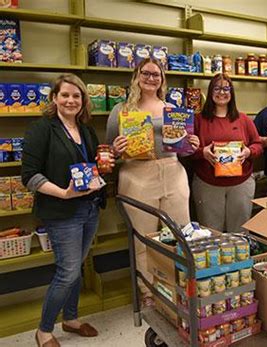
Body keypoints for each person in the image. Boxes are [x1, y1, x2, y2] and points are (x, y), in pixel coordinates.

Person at [21, 74, 109, 347]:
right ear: (54, 98)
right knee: (67, 272)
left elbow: (91, 166)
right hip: (62, 212)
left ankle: (70, 319)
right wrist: (64, 193)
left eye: (77, 96)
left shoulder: (86, 129)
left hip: (90, 208)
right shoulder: (42, 129)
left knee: (78, 268)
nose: (71, 100)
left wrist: (104, 165)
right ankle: (44, 330)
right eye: (65, 95)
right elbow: (29, 176)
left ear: (83, 101)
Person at [106, 57, 199, 306]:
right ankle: (148, 291)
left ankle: (178, 289)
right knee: (144, 237)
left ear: (162, 79)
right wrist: (115, 149)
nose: (150, 78)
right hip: (137, 175)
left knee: (179, 235)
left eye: (156, 74)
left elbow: (182, 149)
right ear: (136, 76)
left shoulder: (172, 109)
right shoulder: (122, 110)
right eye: (145, 73)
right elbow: (109, 151)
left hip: (173, 172)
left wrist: (191, 145)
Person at [192, 73, 263, 232]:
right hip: (207, 184)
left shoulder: (243, 119)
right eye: (217, 88)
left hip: (241, 184)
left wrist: (248, 152)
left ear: (232, 93)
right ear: (210, 92)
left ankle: (241, 258)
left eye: (226, 88)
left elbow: (258, 144)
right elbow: (187, 150)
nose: (222, 92)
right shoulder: (198, 120)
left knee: (240, 230)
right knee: (210, 231)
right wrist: (202, 152)